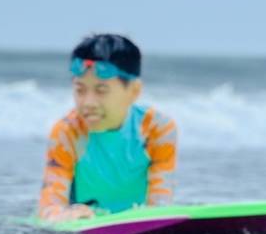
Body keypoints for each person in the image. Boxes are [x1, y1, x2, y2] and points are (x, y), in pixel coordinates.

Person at [38, 33, 178, 222]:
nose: (88, 102)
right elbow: (49, 209)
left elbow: (161, 205)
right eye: (80, 90)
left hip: (135, 223)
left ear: (134, 91)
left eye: (101, 90)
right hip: (83, 226)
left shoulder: (156, 129)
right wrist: (64, 216)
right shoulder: (67, 133)